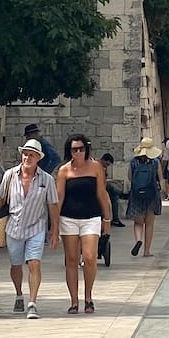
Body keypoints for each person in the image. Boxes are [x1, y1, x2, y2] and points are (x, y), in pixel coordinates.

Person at [0, 138, 60, 318]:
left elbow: (53, 205)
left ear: (38, 158)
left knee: (34, 263)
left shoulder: (46, 180)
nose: (27, 157)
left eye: (31, 155)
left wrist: (55, 229)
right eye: (25, 154)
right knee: (16, 265)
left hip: (36, 226)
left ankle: (32, 303)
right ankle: (19, 294)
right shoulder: (10, 175)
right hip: (14, 227)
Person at [56, 134, 111, 314]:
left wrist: (107, 218)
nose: (78, 152)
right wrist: (54, 224)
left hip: (91, 217)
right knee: (71, 260)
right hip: (68, 218)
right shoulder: (64, 171)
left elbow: (102, 193)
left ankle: (88, 297)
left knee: (89, 256)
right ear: (69, 151)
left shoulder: (96, 167)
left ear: (86, 149)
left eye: (81, 148)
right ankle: (74, 301)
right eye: (74, 149)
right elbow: (59, 198)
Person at [126, 137, 164, 257]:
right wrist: (162, 191)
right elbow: (161, 178)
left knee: (138, 222)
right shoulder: (155, 162)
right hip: (151, 194)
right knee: (149, 223)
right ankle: (147, 251)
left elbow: (130, 178)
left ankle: (138, 240)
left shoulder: (133, 161)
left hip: (137, 194)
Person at [99, 154, 125, 226]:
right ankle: (121, 194)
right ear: (103, 160)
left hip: (102, 186)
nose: (107, 166)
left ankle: (116, 219)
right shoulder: (97, 165)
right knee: (113, 191)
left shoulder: (103, 167)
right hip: (98, 187)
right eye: (106, 164)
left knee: (114, 195)